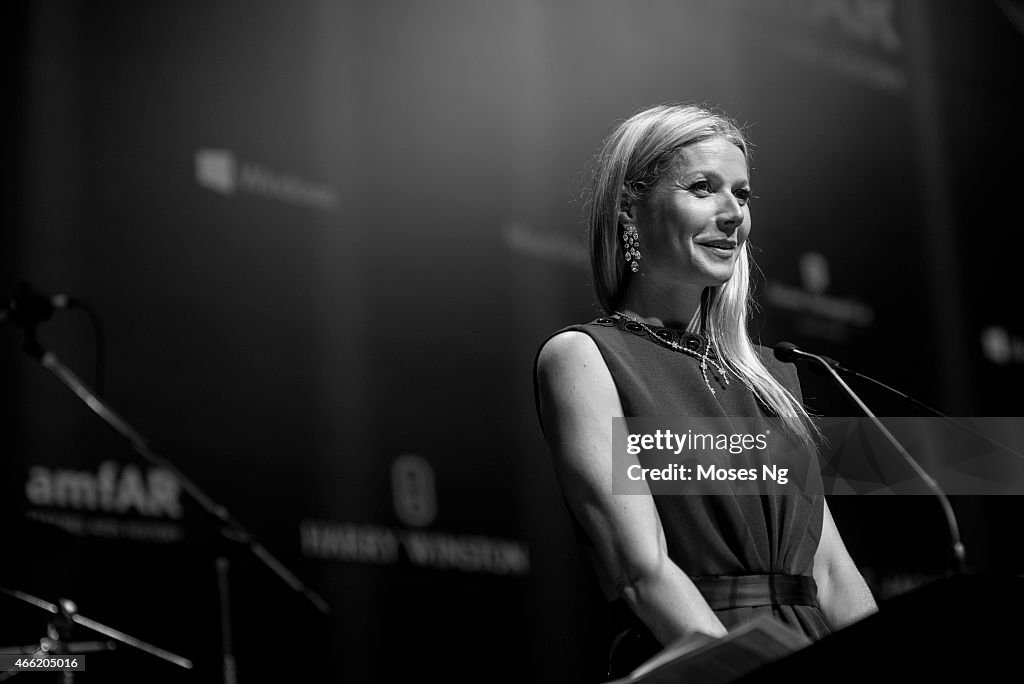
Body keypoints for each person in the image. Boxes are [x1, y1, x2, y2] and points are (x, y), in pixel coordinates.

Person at [533, 104, 877, 678]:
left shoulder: (772, 376)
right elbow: (642, 571)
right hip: (697, 664)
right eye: (702, 188)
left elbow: (834, 573)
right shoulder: (586, 358)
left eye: (742, 196)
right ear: (629, 211)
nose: (734, 215)